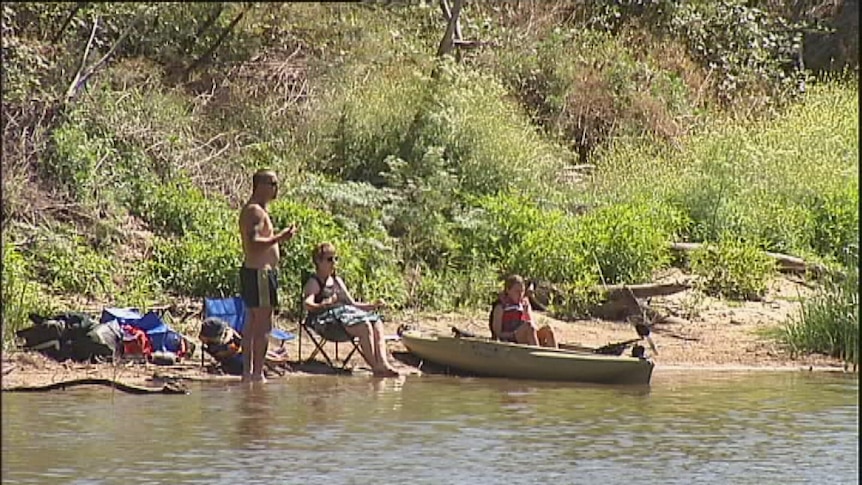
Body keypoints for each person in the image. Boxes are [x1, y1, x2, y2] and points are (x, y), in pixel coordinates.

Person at [303, 242, 400, 377]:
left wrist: (373, 306)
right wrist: (325, 304)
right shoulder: (314, 282)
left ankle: (383, 363)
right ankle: (376, 367)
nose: (334, 263)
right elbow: (307, 304)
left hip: (344, 319)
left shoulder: (337, 280)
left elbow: (352, 304)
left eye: (335, 259)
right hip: (326, 324)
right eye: (329, 259)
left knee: (376, 321)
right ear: (318, 261)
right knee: (364, 325)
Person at [238, 169, 298, 383]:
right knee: (262, 324)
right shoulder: (254, 211)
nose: (276, 188)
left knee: (254, 323)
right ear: (260, 185)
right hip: (259, 273)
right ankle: (256, 373)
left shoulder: (257, 210)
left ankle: (250, 373)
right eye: (272, 183)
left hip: (257, 273)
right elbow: (253, 243)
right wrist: (279, 238)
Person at [490, 274, 558, 348]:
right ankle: (537, 356)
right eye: (517, 291)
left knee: (548, 329)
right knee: (528, 327)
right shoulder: (501, 306)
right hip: (511, 337)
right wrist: (514, 334)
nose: (520, 295)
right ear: (508, 290)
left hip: (526, 334)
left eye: (522, 291)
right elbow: (497, 333)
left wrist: (525, 313)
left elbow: (532, 325)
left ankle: (556, 355)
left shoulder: (524, 304)